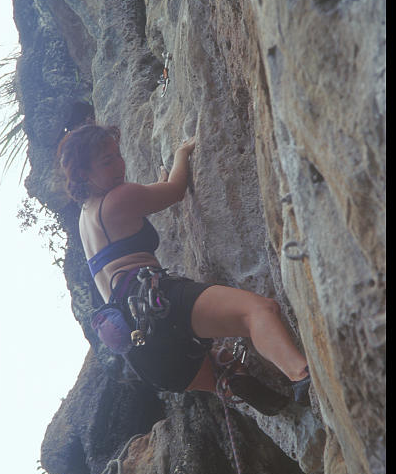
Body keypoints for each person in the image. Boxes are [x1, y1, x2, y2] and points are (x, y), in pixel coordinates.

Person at [57, 122, 311, 404]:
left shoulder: (85, 219)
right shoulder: (120, 197)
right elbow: (174, 190)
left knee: (216, 364)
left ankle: (229, 380)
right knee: (258, 312)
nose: (119, 165)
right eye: (107, 161)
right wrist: (182, 153)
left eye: (118, 155)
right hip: (157, 302)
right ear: (84, 173)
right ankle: (303, 377)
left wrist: (153, 188)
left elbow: (142, 202)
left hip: (139, 349)